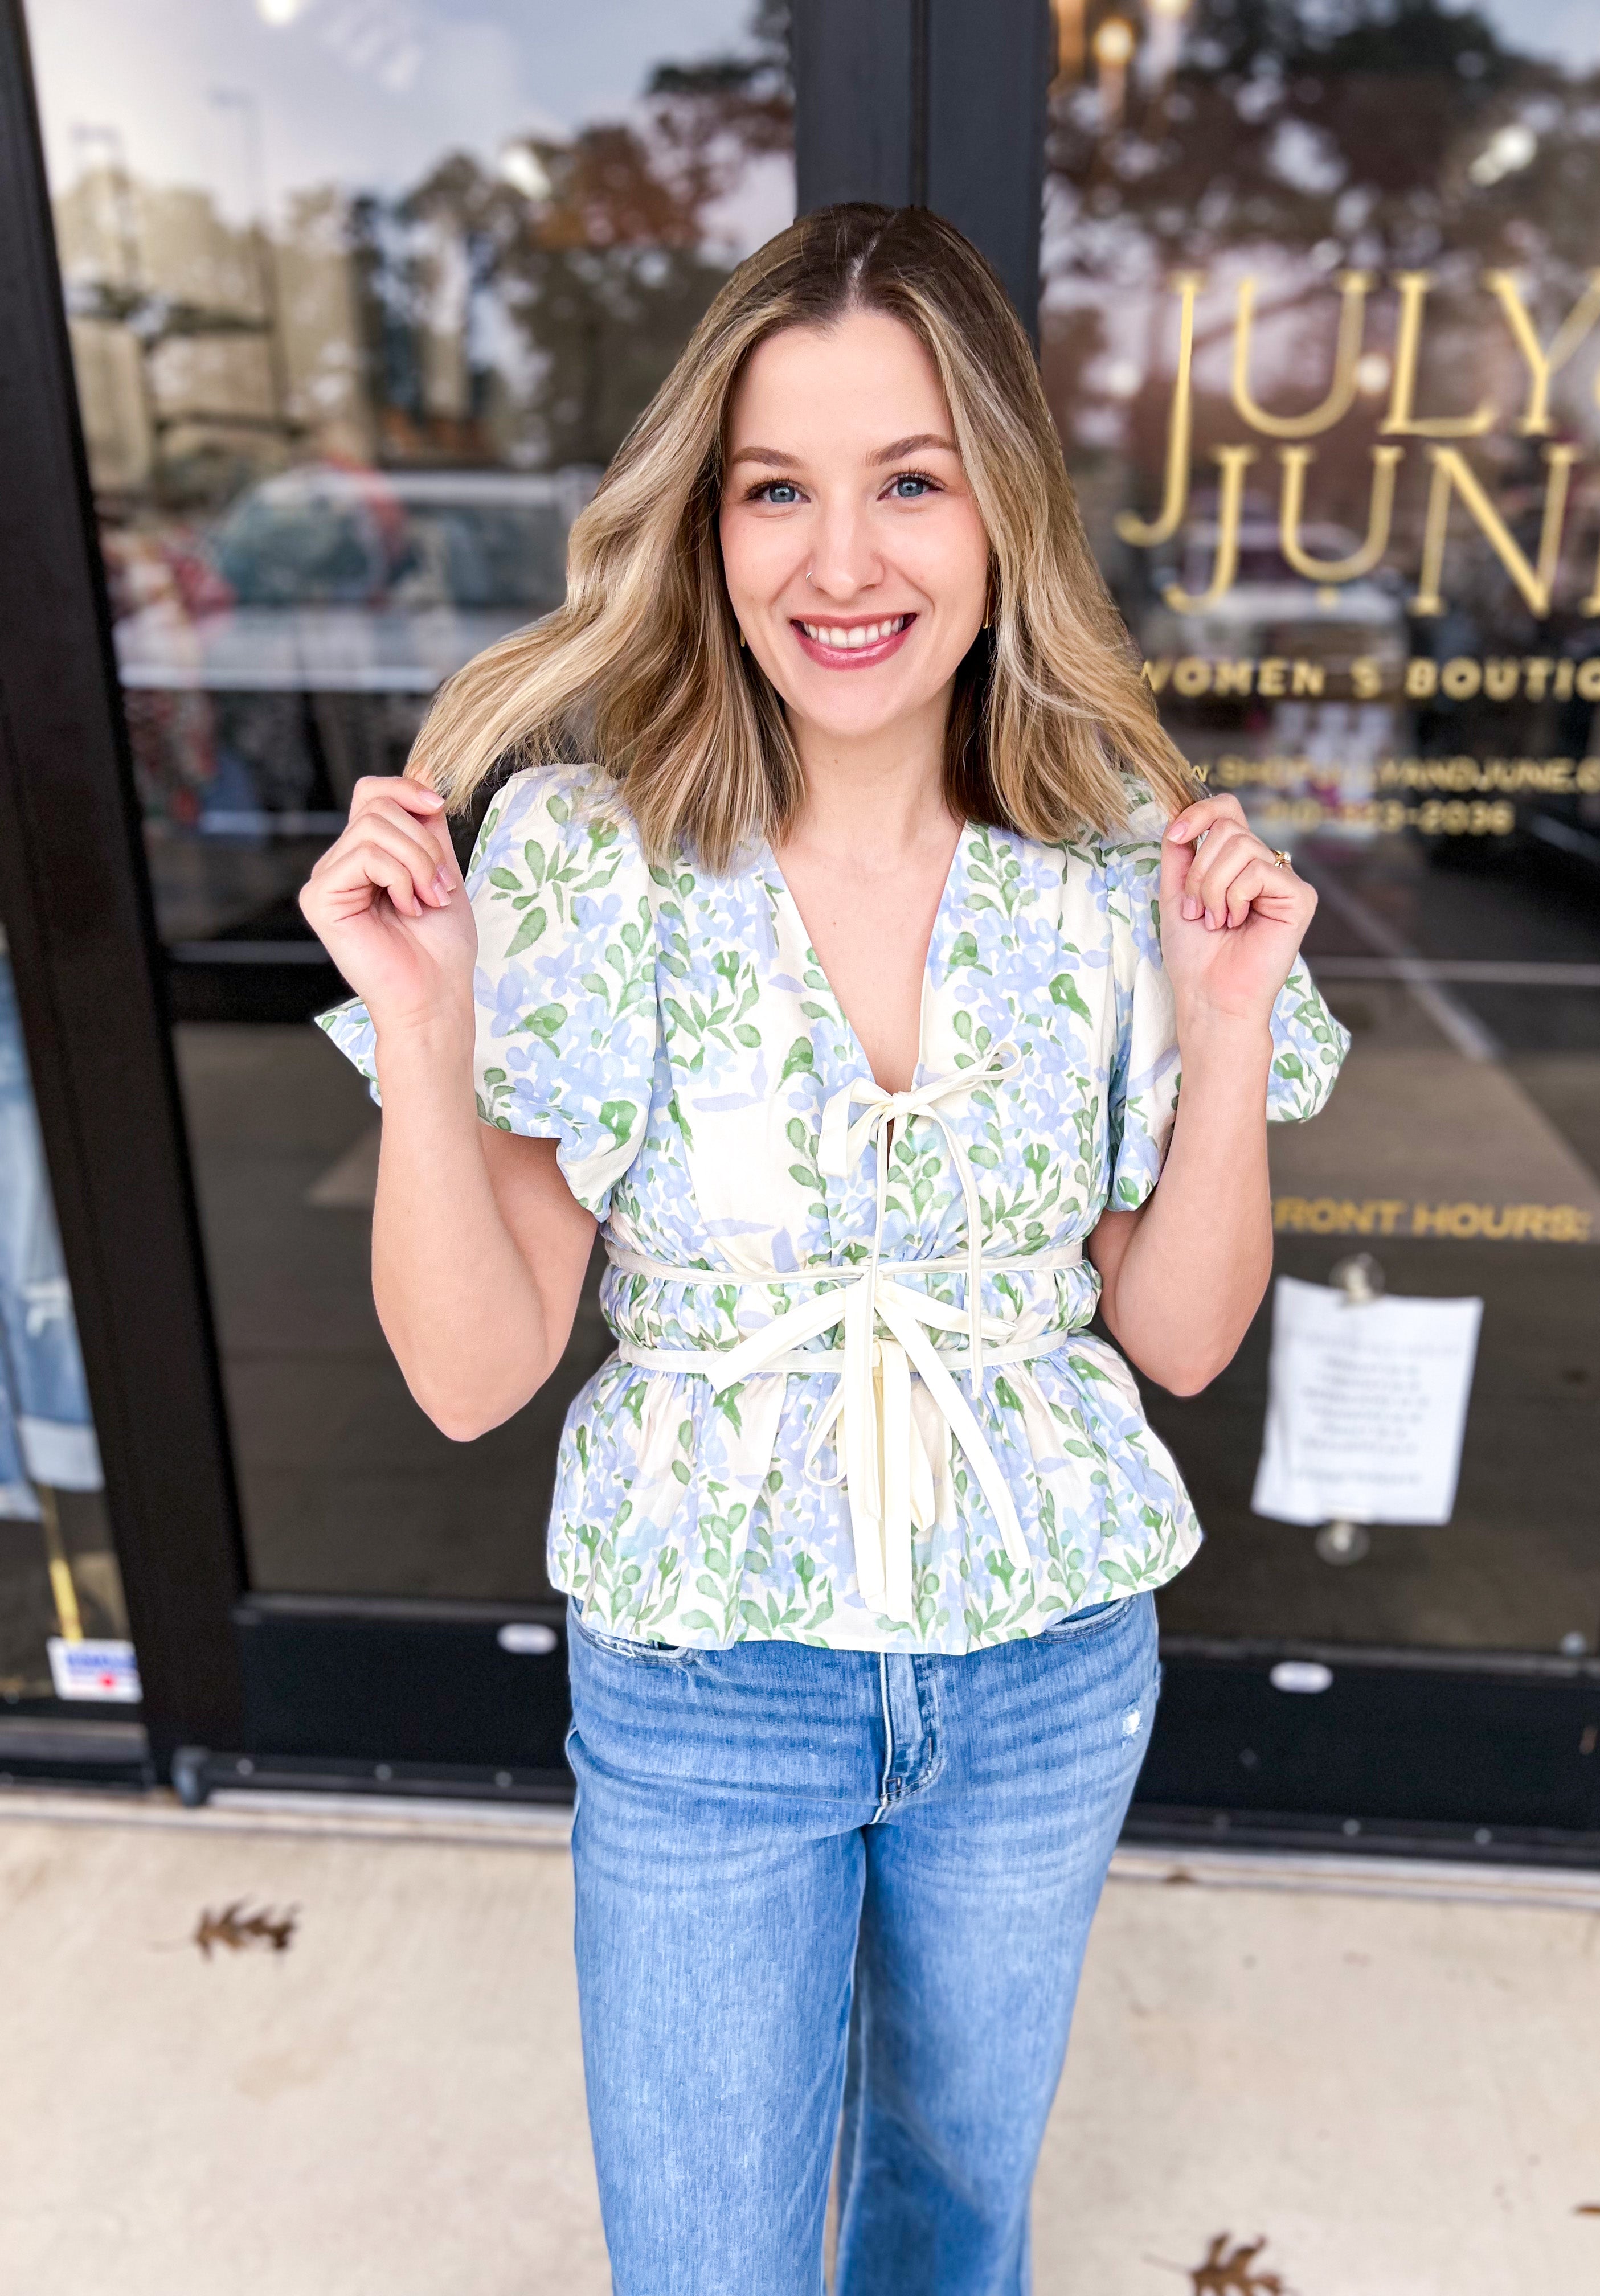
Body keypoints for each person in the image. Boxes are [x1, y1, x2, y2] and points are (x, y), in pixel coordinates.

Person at [300, 203, 1345, 2295]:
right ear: (707, 522)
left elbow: (1185, 1335)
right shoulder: (590, 859)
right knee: (708, 2259)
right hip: (711, 1685)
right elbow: (477, 1370)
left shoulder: (1114, 862)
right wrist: (424, 1034)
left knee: (954, 2216)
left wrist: (1222, 1031)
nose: (840, 563)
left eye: (909, 484)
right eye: (777, 488)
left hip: (1044, 1668)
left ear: (1001, 518)